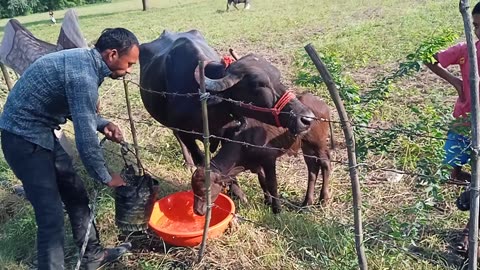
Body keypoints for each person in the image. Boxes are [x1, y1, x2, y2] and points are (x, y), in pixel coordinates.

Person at [0, 27, 140, 270]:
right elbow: (86, 141)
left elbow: (77, 108)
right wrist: (105, 176)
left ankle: (93, 256)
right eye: (128, 64)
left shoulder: (84, 61)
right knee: (50, 214)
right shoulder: (83, 76)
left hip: (40, 133)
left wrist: (103, 123)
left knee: (75, 194)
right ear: (112, 54)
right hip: (22, 140)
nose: (128, 72)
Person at [425, 2, 480, 184]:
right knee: (450, 170)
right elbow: (429, 59)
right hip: (464, 118)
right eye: (476, 26)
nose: (477, 31)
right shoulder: (465, 50)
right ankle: (464, 181)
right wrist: (456, 81)